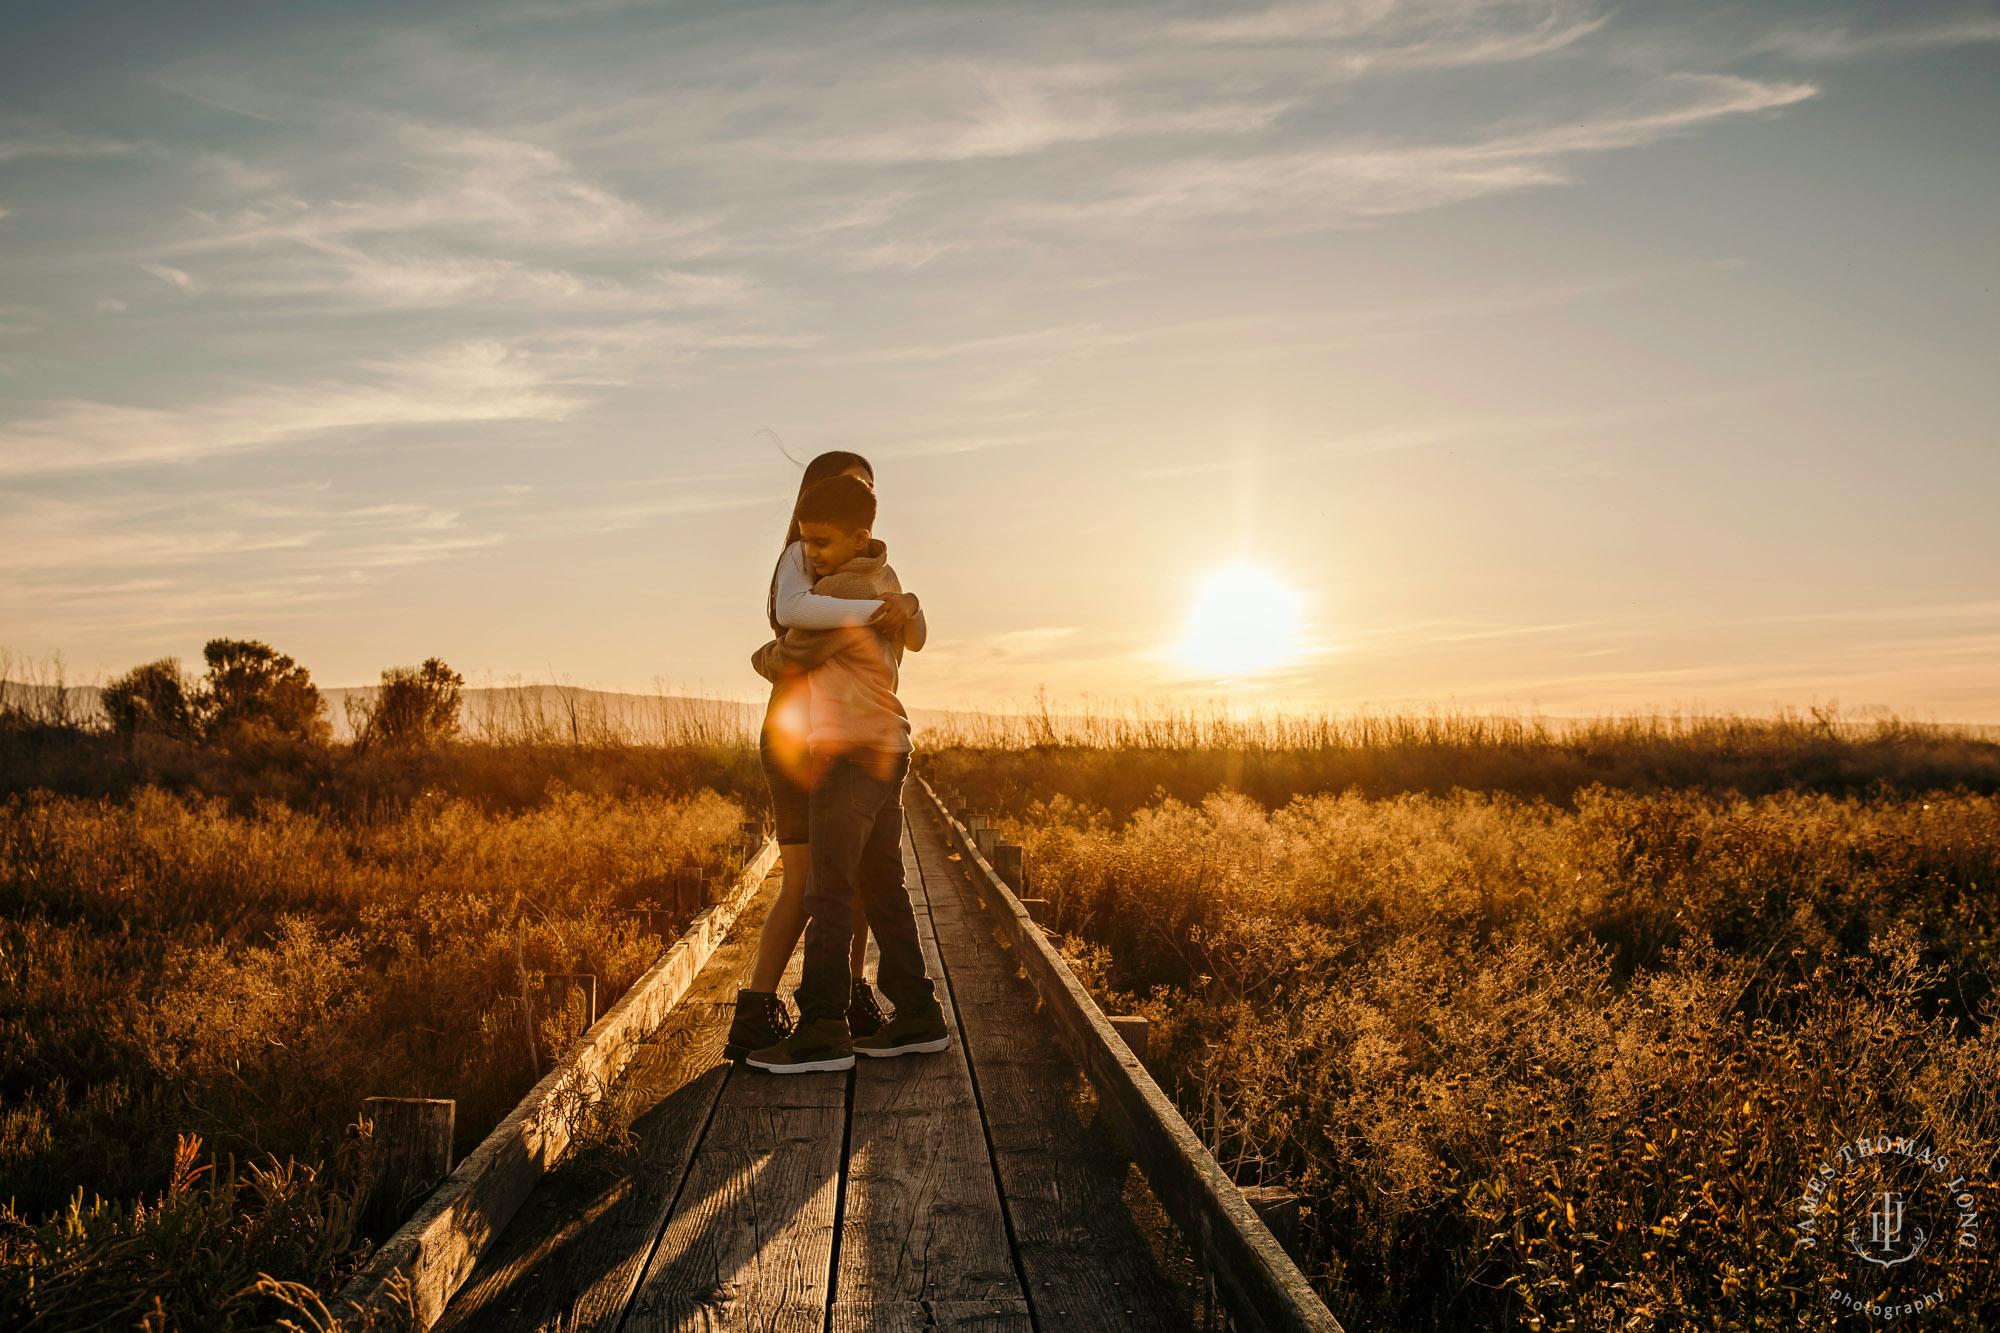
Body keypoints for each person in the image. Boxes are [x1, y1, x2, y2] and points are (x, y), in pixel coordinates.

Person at [744, 473, 948, 1073]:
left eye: (823, 543)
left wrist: (765, 652)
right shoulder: (886, 582)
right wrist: (907, 608)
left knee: (828, 891)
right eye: (806, 543)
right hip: (889, 747)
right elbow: (916, 631)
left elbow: (785, 650)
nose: (812, 554)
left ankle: (823, 1030)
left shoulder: (838, 591)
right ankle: (918, 1014)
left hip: (848, 752)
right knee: (883, 888)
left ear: (860, 536)